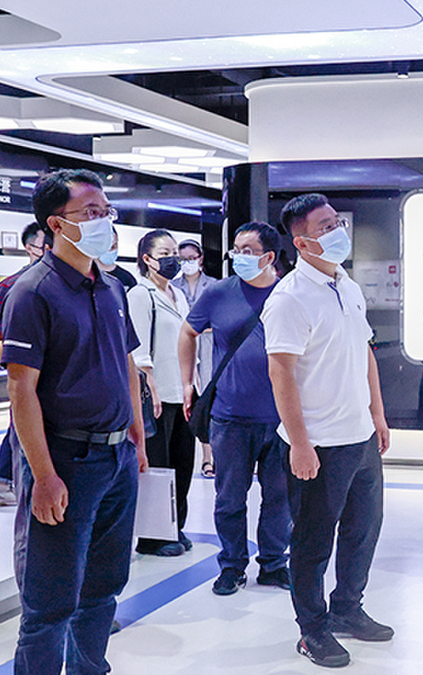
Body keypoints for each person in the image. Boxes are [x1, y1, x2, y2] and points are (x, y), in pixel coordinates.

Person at [1, 168, 148, 674]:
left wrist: (136, 435)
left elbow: (126, 361)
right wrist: (43, 475)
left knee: (104, 586)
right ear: (57, 224)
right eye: (91, 213)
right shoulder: (33, 291)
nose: (105, 221)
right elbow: (21, 389)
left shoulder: (110, 286)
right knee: (51, 598)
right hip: (66, 458)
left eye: (107, 211)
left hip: (116, 456)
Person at [264, 193, 392, 668]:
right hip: (318, 444)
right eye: (325, 226)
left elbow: (365, 353)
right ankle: (312, 629)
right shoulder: (289, 298)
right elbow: (280, 373)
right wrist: (299, 443)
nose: (339, 231)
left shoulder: (347, 284)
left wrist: (377, 414)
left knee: (363, 530)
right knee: (313, 542)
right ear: (301, 242)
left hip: (360, 437)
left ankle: (347, 609)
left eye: (337, 221)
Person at [180, 221, 292, 595]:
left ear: (269, 256)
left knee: (279, 498)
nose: (238, 257)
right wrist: (187, 382)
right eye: (236, 250)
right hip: (229, 416)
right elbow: (188, 332)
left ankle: (274, 564)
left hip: (281, 418)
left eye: (247, 251)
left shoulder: (289, 294)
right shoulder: (219, 293)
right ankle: (231, 565)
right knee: (229, 498)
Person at [128, 229, 195, 557]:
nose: (173, 259)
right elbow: (138, 350)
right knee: (159, 466)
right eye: (165, 253)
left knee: (183, 464)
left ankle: (175, 526)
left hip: (182, 393)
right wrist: (150, 387)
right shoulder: (140, 295)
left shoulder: (177, 294)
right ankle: (153, 536)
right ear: (148, 259)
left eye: (174, 253)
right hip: (157, 394)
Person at [0, 221, 50, 507]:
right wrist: (37, 344)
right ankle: (3, 484)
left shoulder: (88, 286)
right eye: (45, 245)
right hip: (31, 397)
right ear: (30, 248)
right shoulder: (11, 288)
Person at [173, 237, 220, 476]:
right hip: (184, 344)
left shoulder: (214, 285)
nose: (188, 263)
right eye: (183, 259)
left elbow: (219, 317)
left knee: (209, 397)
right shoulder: (173, 286)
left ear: (200, 259)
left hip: (210, 345)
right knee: (189, 395)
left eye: (192, 258)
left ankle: (209, 457)